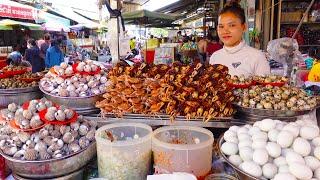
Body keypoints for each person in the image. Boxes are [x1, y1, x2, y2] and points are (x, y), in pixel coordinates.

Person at [209, 2, 270, 77]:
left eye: (231, 25)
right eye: (221, 26)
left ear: (244, 27)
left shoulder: (257, 57)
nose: (225, 31)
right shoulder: (215, 57)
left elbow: (266, 86)